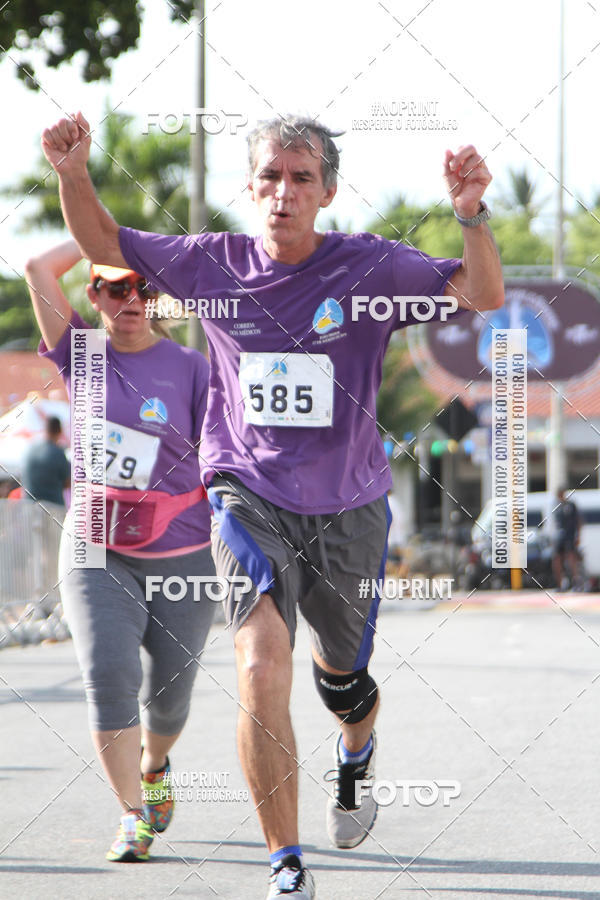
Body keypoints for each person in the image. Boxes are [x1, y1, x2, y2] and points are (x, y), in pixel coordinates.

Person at [41, 110, 504, 898]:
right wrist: (74, 174)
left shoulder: (372, 269)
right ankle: (285, 862)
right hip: (245, 491)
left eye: (300, 178)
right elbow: (105, 245)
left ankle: (355, 753)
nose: (282, 192)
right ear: (250, 186)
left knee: (343, 684)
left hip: (349, 506)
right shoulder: (210, 263)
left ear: (327, 191)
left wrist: (471, 216)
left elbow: (482, 294)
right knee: (259, 661)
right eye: (269, 176)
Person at [24, 239, 216, 863]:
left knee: (170, 695)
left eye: (143, 287)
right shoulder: (81, 353)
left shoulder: (194, 366)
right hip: (94, 547)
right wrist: (99, 236)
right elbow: (35, 268)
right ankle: (132, 815)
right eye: (114, 286)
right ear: (95, 296)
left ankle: (154, 764)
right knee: (108, 675)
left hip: (182, 550)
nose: (130, 298)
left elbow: (224, 456)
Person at [21, 414, 70, 506]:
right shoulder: (58, 452)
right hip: (53, 508)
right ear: (59, 432)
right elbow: (67, 482)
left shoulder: (30, 449)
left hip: (29, 507)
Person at [552, 487, 582, 590]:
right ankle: (559, 584)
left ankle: (576, 583)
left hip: (570, 536)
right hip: (560, 537)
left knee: (571, 558)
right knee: (557, 559)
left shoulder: (570, 505)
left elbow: (578, 521)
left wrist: (578, 535)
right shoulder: (556, 506)